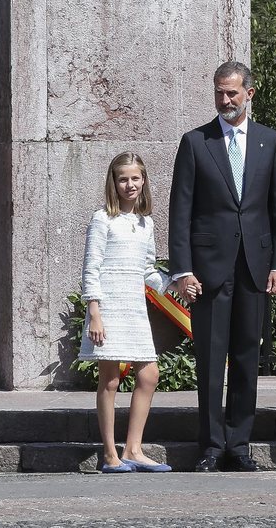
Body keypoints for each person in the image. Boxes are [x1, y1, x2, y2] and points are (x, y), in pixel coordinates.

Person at [168, 61, 276, 471]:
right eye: (220, 92)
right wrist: (182, 269)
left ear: (249, 94)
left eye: (233, 93)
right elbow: (180, 211)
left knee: (245, 358)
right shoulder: (195, 142)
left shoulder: (269, 142)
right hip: (208, 271)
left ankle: (239, 445)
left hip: (255, 269)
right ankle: (211, 446)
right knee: (209, 359)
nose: (225, 100)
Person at [79, 151, 173, 472]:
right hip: (108, 306)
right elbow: (91, 267)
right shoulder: (102, 218)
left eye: (135, 178)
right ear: (113, 182)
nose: (129, 184)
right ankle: (109, 455)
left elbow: (147, 269)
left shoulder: (146, 223)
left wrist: (175, 285)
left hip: (134, 308)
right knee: (110, 379)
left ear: (143, 180)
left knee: (149, 374)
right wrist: (94, 310)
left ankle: (133, 448)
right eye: (123, 178)